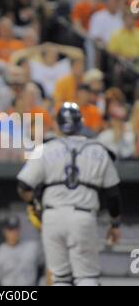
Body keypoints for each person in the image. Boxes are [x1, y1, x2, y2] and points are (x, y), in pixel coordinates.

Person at [17, 103, 122, 286]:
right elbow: (113, 194)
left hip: (53, 216)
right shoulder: (98, 150)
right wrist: (115, 223)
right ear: (80, 123)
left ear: (58, 124)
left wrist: (35, 205)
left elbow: (23, 185)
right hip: (83, 216)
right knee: (86, 277)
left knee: (60, 278)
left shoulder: (45, 148)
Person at [0, 215, 44, 286]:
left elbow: (41, 268)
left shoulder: (32, 247)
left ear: (20, 229)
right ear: (4, 231)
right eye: (10, 230)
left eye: (16, 229)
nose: (13, 233)